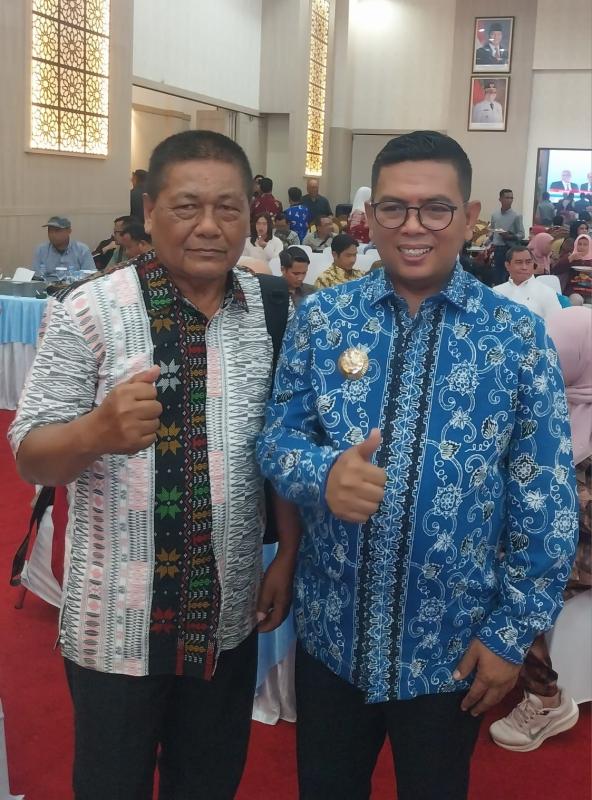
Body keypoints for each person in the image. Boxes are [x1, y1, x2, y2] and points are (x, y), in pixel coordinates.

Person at [257, 130, 577, 800]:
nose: (413, 226)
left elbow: (545, 500)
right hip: (333, 636)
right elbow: (277, 439)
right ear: (368, 218)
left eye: (436, 208)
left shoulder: (514, 337)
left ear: (469, 217)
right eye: (394, 208)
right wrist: (322, 474)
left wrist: (511, 635)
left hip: (452, 650)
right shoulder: (324, 319)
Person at [10, 130, 299, 800]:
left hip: (227, 615)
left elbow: (279, 443)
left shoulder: (267, 310)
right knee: (112, 785)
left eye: (227, 209)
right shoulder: (89, 311)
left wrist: (287, 550)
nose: (209, 226)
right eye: (187, 207)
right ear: (149, 211)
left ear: (251, 217)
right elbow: (29, 454)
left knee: (209, 782)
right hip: (116, 622)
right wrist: (95, 432)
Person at [490, 306, 591, 751]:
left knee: (513, 583)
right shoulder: (561, 404)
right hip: (568, 540)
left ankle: (546, 699)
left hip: (582, 550)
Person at [493, 245, 561, 321]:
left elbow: (557, 323)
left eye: (528, 262)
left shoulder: (547, 292)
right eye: (519, 263)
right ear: (507, 265)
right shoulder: (497, 292)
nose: (524, 267)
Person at [489, 188, 525, 285]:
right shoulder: (495, 215)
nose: (510, 200)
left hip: (509, 249)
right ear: (500, 199)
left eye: (511, 198)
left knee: (507, 276)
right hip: (497, 249)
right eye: (507, 198)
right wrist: (488, 244)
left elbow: (522, 234)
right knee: (497, 276)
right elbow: (493, 232)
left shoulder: (516, 216)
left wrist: (509, 236)